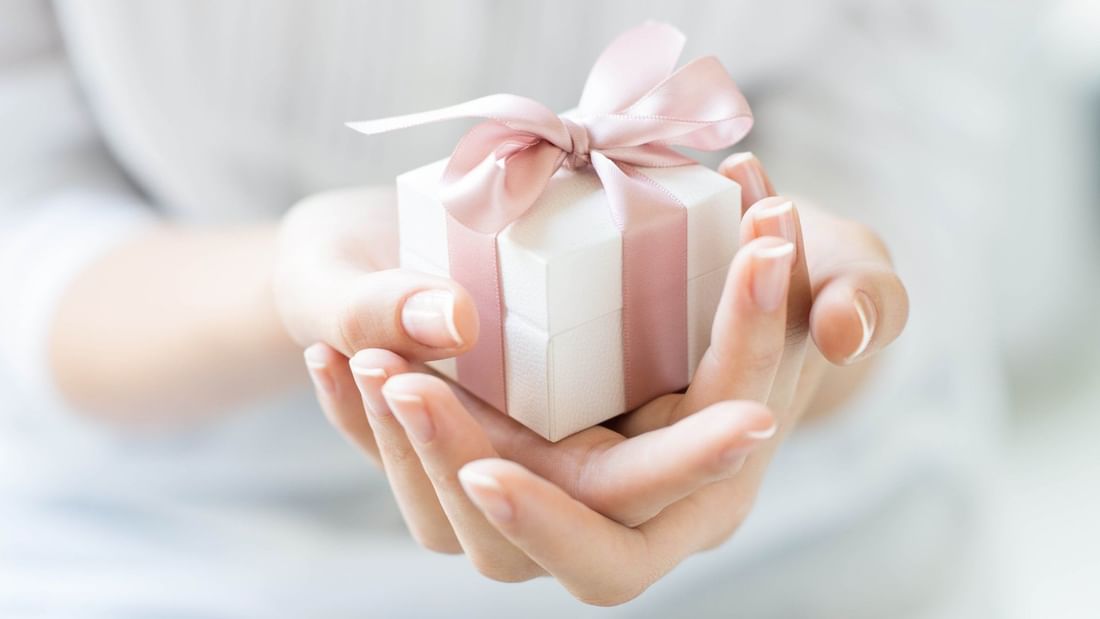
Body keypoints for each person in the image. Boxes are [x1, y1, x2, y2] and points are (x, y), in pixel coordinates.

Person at [0, 1, 1005, 616]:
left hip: (812, 541)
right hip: (178, 552)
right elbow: (26, 238)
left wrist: (806, 323)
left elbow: (907, 142)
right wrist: (289, 288)